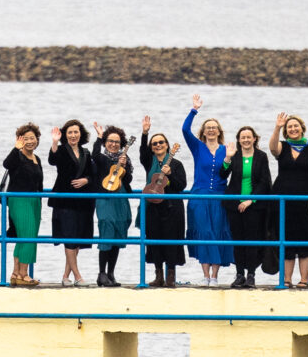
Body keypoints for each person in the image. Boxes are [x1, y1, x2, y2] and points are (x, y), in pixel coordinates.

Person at [180, 99, 231, 285]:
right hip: (199, 196)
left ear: (219, 131)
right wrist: (194, 110)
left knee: (217, 232)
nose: (211, 130)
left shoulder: (227, 150)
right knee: (204, 232)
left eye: (214, 127)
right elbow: (185, 130)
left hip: (219, 196)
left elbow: (229, 171)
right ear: (203, 132)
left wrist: (229, 159)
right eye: (208, 127)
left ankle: (215, 277)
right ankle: (205, 276)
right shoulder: (198, 147)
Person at [270, 113, 308, 289]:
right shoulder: (283, 146)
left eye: (296, 126)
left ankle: (304, 279)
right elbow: (272, 149)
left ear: (302, 128)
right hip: (283, 200)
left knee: (306, 238)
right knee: (286, 237)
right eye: (289, 127)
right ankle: (286, 279)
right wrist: (277, 127)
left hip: (306, 200)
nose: (293, 129)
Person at [138, 121, 190, 288]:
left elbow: (181, 185)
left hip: (172, 208)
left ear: (168, 145)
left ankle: (171, 277)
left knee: (172, 240)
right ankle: (158, 275)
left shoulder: (176, 164)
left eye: (161, 142)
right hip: (153, 207)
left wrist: (171, 174)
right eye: (155, 144)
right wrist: (145, 133)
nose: (158, 145)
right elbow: (142, 154)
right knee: (154, 240)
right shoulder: (149, 162)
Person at [224, 124, 275, 289]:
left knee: (252, 241)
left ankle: (251, 275)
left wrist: (250, 200)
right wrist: (227, 159)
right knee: (238, 241)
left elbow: (264, 182)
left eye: (248, 137)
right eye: (242, 137)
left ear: (254, 139)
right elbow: (222, 174)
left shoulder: (261, 156)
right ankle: (239, 275)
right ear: (239, 140)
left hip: (254, 206)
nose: (246, 140)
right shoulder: (235, 156)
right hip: (234, 206)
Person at [47, 119, 97, 285]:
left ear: (80, 134)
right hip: (65, 201)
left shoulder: (86, 153)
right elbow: (52, 160)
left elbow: (93, 175)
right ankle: (78, 276)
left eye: (76, 132)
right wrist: (54, 142)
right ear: (65, 135)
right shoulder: (61, 150)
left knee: (76, 241)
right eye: (70, 132)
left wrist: (86, 181)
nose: (73, 135)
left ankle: (65, 277)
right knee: (69, 237)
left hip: (83, 202)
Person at [1, 123, 47, 286]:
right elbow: (7, 164)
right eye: (25, 138)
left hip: (35, 201)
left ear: (37, 140)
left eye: (32, 138)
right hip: (19, 200)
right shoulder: (18, 156)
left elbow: (39, 183)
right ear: (19, 140)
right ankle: (24, 274)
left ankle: (16, 274)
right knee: (27, 236)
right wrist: (16, 148)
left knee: (26, 237)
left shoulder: (37, 158)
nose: (29, 141)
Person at [92, 124, 136, 288]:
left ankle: (111, 273)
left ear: (122, 144)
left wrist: (124, 167)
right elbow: (95, 154)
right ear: (105, 142)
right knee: (107, 230)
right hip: (105, 198)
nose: (114, 144)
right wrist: (98, 136)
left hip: (121, 197)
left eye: (117, 142)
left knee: (118, 231)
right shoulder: (101, 157)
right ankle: (101, 273)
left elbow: (128, 180)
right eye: (110, 141)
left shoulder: (125, 158)